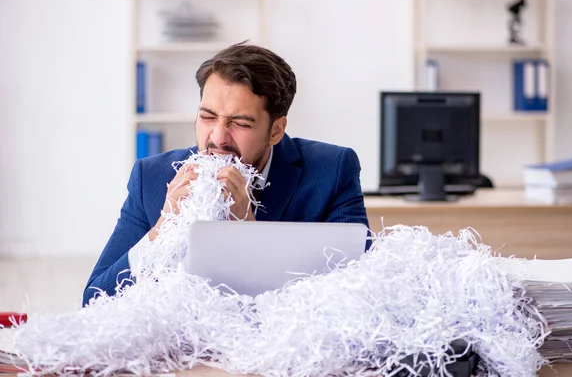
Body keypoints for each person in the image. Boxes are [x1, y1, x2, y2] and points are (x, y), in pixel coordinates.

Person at [83, 43, 370, 306]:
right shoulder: (151, 176)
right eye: (207, 117)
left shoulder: (332, 169)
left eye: (240, 123)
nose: (218, 138)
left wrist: (249, 233)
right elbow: (94, 299)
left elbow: (361, 295)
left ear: (276, 130)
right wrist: (161, 231)